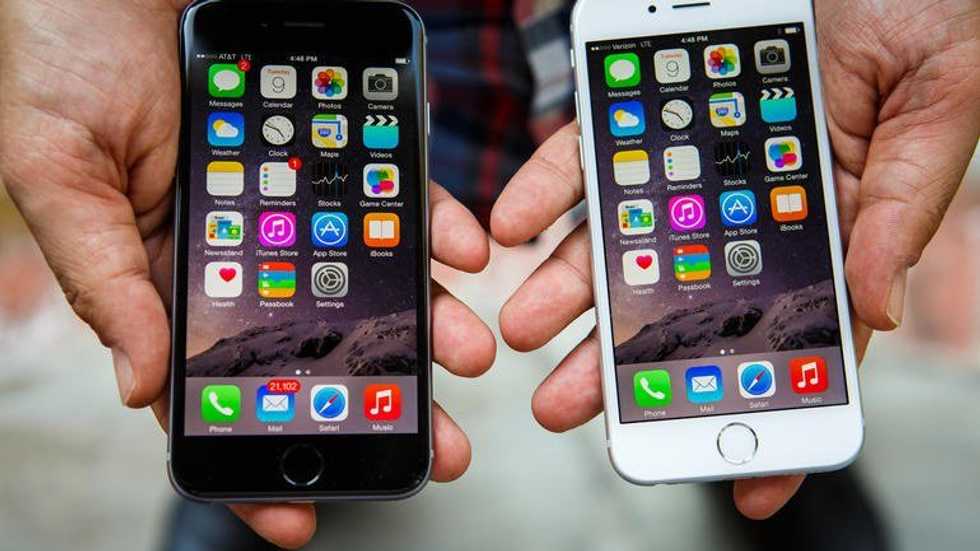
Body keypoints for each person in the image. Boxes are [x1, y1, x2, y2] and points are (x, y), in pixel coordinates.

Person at [0, 0, 977, 548]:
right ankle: (246, 451)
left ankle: (778, 440)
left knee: (726, 232)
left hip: (646, 41)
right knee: (308, 231)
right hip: (391, 57)